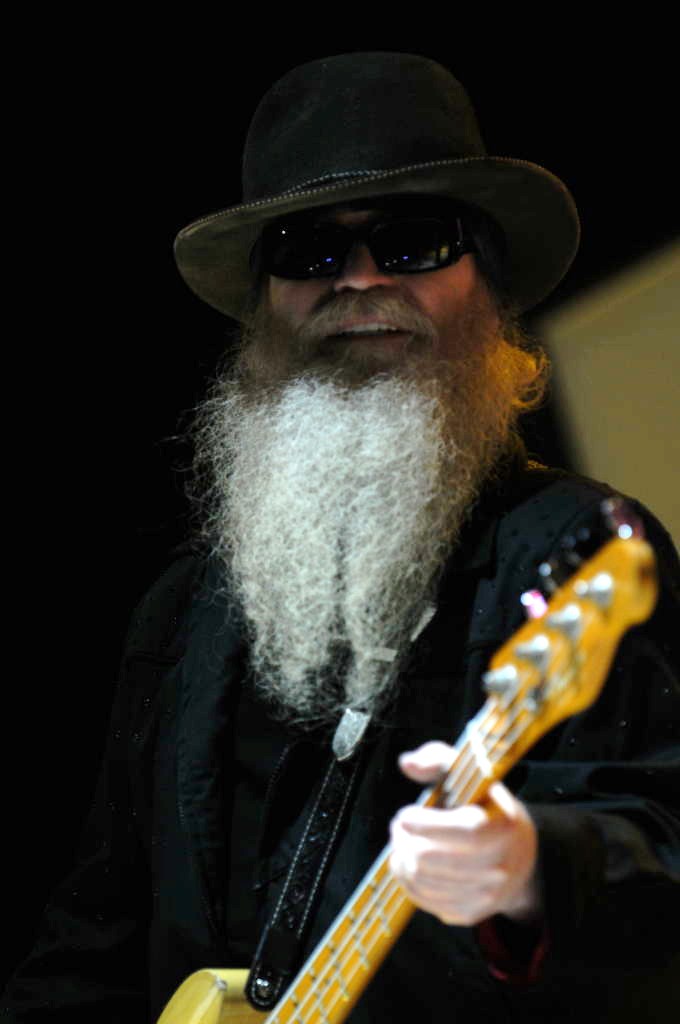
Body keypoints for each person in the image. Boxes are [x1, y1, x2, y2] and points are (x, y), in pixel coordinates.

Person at [3, 52, 679, 1023]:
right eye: (309, 252)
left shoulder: (573, 552)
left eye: (412, 241)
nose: (359, 279)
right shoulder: (182, 614)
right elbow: (91, 940)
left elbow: (660, 852)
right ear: (264, 305)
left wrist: (532, 867)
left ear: (486, 285)